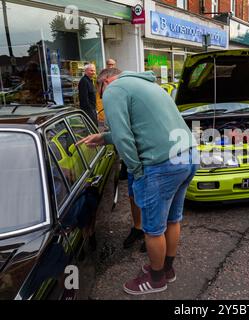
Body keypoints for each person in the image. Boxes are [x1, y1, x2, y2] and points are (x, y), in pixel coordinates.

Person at [77, 68, 198, 295]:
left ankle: (155, 279)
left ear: (106, 82)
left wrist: (136, 171)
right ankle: (165, 270)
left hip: (162, 164)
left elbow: (124, 137)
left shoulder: (115, 90)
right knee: (173, 219)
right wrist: (103, 138)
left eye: (99, 90)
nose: (102, 96)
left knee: (153, 229)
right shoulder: (150, 86)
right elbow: (141, 129)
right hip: (188, 155)